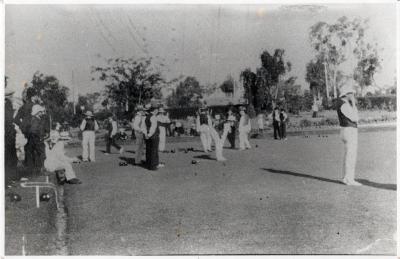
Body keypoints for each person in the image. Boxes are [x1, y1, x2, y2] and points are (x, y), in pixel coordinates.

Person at [337, 80, 361, 186]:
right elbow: (356, 118)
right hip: (349, 130)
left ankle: (347, 178)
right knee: (351, 155)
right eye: (351, 93)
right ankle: (349, 179)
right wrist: (354, 104)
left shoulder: (342, 103)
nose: (353, 95)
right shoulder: (345, 105)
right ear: (346, 94)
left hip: (345, 130)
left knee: (348, 155)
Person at [27, 104, 48, 175]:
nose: (42, 113)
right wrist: (39, 138)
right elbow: (33, 131)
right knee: (40, 154)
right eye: (41, 112)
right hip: (36, 140)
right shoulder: (35, 120)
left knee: (40, 155)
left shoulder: (37, 119)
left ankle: (38, 169)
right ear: (37, 112)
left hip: (36, 140)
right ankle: (39, 170)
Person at [143, 104, 163, 170]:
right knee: (154, 150)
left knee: (148, 150)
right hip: (153, 136)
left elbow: (144, 127)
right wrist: (149, 135)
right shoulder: (153, 117)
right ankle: (153, 166)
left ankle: (149, 164)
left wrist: (146, 134)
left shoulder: (147, 117)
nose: (158, 111)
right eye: (157, 110)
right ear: (155, 110)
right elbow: (153, 127)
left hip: (147, 136)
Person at [5, 88, 18, 183]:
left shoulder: (7, 105)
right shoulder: (7, 105)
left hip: (8, 133)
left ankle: (10, 178)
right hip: (9, 134)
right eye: (11, 96)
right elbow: (9, 120)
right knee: (10, 156)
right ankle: (9, 178)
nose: (13, 97)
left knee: (10, 156)